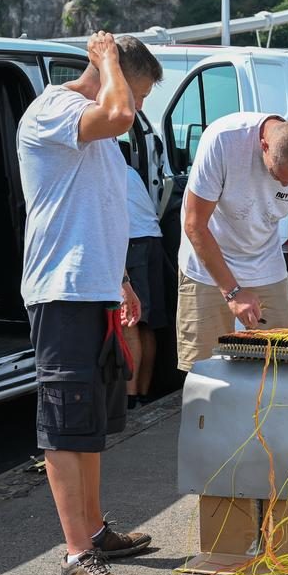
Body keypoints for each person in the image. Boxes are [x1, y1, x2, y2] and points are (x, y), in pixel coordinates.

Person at [17, 31, 162, 575]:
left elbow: (98, 206)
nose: (139, 106)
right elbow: (122, 113)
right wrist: (106, 60)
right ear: (109, 74)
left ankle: (95, 531)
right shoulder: (54, 110)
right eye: (139, 91)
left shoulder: (99, 125)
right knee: (63, 424)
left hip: (94, 289)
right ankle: (77, 553)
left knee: (93, 423)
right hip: (62, 292)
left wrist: (121, 279)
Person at [177, 112, 288, 372]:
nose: (284, 183)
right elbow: (195, 225)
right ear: (264, 145)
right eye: (278, 175)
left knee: (284, 361)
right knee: (203, 370)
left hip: (264, 261)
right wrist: (233, 292)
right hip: (207, 262)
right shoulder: (223, 140)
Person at [123, 165, 167, 409]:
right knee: (148, 323)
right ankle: (143, 394)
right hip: (153, 238)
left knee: (131, 320)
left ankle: (129, 399)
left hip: (132, 242)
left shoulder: (103, 166)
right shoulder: (129, 171)